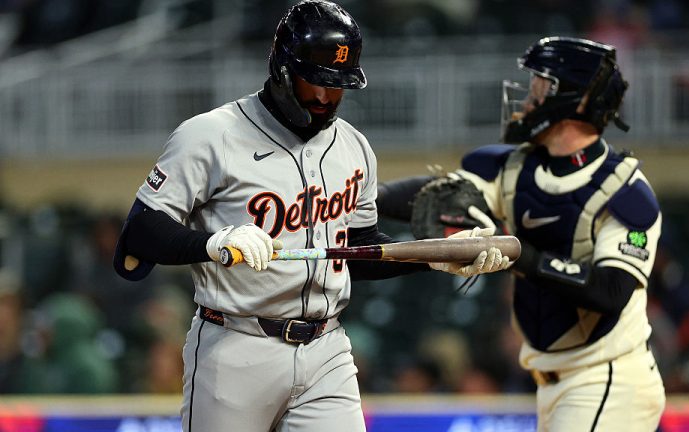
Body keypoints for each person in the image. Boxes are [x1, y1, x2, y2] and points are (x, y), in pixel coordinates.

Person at [112, 1, 511, 431]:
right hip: (235, 345)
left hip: (327, 350)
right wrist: (212, 243)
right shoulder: (211, 135)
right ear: (283, 69)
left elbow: (353, 253)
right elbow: (140, 232)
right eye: (315, 82)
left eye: (337, 85)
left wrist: (433, 258)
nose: (326, 96)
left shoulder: (354, 148)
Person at [379, 37, 665, 431]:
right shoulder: (516, 167)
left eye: (541, 85)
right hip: (551, 384)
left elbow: (611, 291)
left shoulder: (626, 189)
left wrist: (520, 255)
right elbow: (442, 195)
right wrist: (362, 198)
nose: (529, 96)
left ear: (578, 101)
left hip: (609, 380)